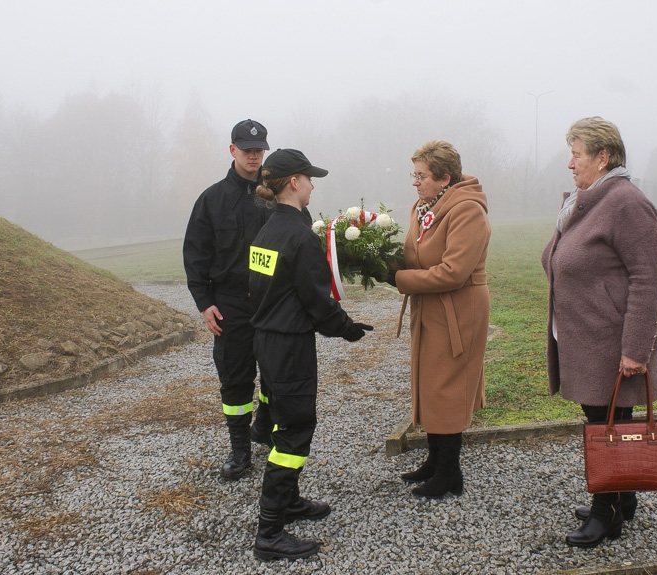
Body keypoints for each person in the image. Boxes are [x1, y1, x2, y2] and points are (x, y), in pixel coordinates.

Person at [541, 116, 657, 548]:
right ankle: (624, 497)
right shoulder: (589, 200)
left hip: (614, 340)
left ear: (603, 157)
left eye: (576, 154)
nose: (570, 163)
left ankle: (606, 512)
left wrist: (636, 350)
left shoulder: (626, 202)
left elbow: (649, 277)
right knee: (604, 420)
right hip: (588, 337)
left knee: (606, 424)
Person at [248, 148, 373, 561]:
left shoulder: (268, 229)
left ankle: (289, 502)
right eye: (309, 178)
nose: (314, 185)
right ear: (294, 183)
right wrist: (347, 329)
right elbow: (316, 301)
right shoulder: (299, 235)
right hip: (288, 346)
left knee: (284, 419)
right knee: (295, 431)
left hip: (267, 340)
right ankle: (270, 532)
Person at [387, 140, 491, 499]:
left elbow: (453, 272)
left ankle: (450, 472)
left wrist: (398, 279)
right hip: (429, 304)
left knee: (447, 387)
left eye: (422, 176)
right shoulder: (423, 207)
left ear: (445, 178)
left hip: (458, 307)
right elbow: (415, 255)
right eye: (413, 175)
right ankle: (435, 459)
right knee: (430, 382)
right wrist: (379, 262)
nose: (415, 183)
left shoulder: (468, 211)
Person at [182, 119, 275, 481]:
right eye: (246, 149)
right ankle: (240, 452)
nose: (253, 156)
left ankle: (264, 426)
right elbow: (195, 255)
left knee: (276, 374)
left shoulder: (277, 194)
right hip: (231, 304)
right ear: (232, 150)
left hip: (272, 303)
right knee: (235, 383)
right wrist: (204, 303)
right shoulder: (212, 199)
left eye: (259, 150)